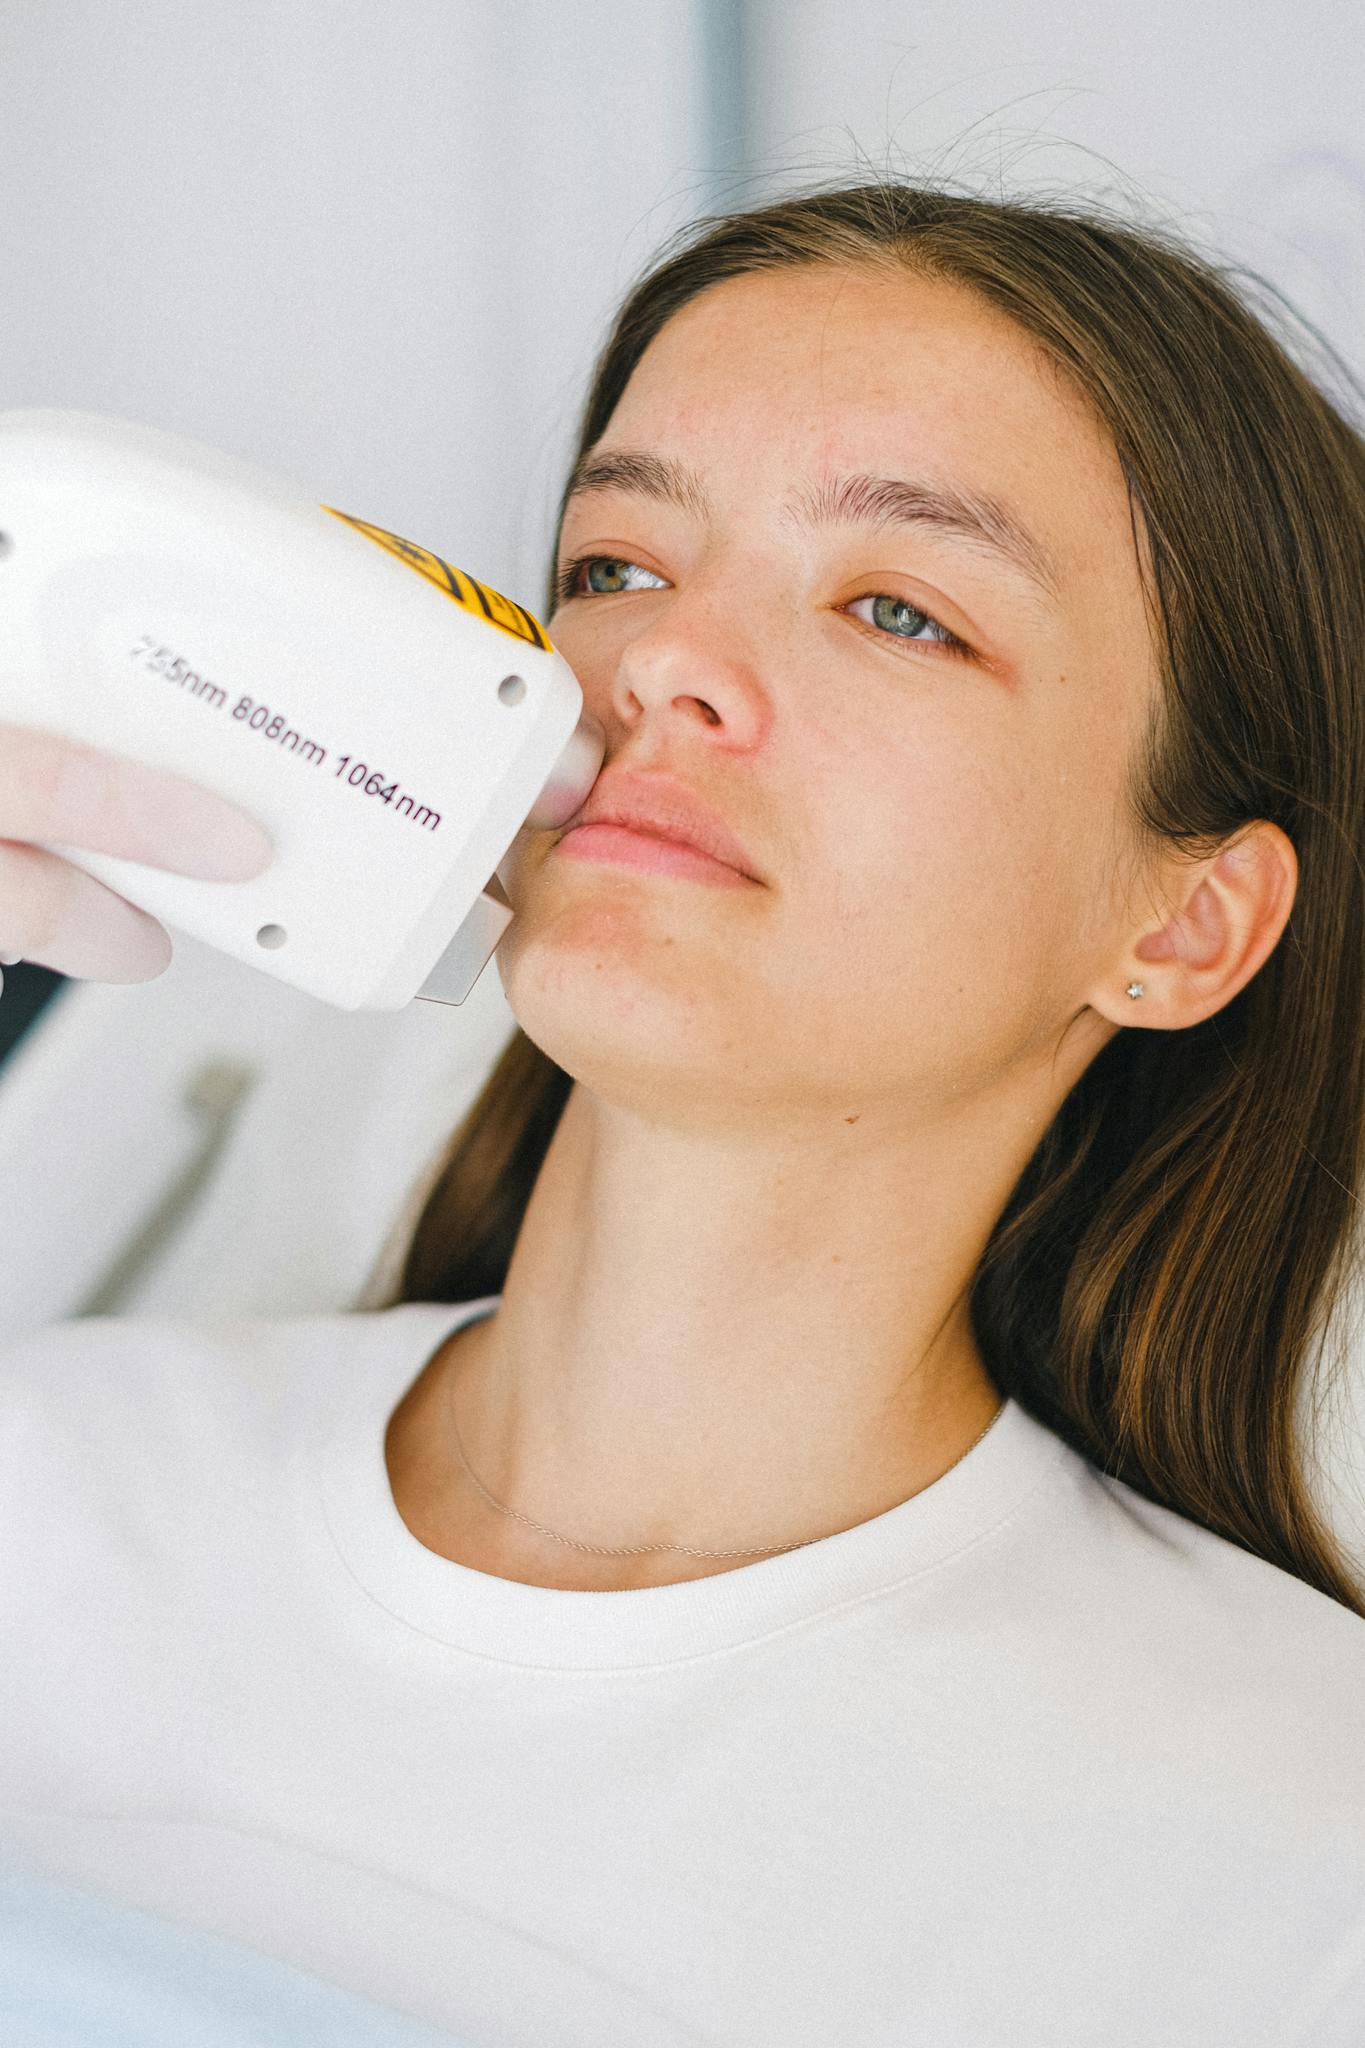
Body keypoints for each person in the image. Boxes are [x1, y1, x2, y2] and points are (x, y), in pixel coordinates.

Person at [2, 177, 1364, 2047]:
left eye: (896, 610)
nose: (660, 671)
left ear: (1182, 922)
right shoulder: (45, 1487)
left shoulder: (1297, 1853)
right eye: (615, 568)